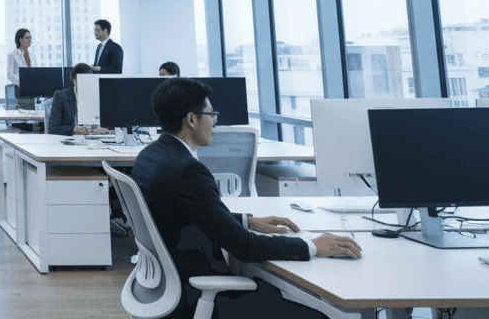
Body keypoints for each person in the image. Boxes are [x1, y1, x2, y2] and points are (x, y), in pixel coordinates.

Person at [132, 78, 362, 318]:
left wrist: (247, 221)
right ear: (192, 119)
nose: (214, 122)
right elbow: (245, 247)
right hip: (197, 293)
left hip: (164, 286)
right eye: (211, 115)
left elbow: (183, 213)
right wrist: (313, 245)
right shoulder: (188, 170)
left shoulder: (149, 156)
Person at [47, 64, 111, 136]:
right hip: (71, 140)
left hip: (95, 140)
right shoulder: (61, 96)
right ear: (74, 79)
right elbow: (52, 128)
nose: (86, 83)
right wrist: (74, 130)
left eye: (89, 80)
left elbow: (110, 125)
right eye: (83, 79)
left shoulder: (98, 96)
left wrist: (105, 130)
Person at [6, 28, 35, 111]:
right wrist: (23, 83)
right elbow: (10, 74)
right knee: (21, 114)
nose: (30, 40)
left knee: (31, 114)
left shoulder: (33, 55)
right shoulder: (13, 55)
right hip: (19, 90)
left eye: (30, 38)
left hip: (31, 90)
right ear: (21, 40)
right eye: (27, 38)